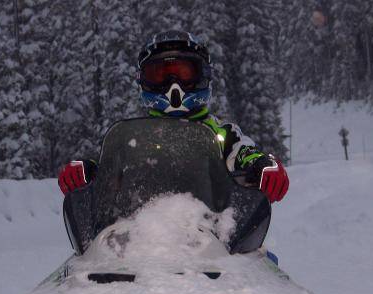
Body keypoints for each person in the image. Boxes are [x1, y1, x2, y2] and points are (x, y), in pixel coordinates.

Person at [58, 30, 289, 203]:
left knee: (261, 261)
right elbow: (110, 169)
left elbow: (246, 153)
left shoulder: (223, 134)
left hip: (214, 241)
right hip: (136, 240)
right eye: (160, 76)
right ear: (144, 81)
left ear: (203, 76)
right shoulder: (133, 139)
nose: (174, 86)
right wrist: (87, 170)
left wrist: (264, 165)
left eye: (184, 74)